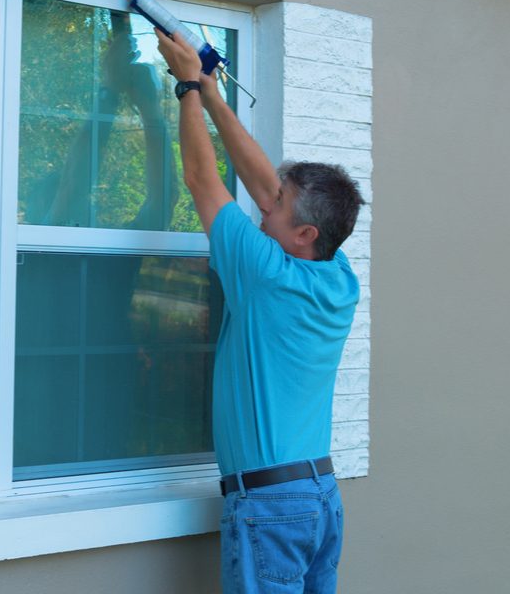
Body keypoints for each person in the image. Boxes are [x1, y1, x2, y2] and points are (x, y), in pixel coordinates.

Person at [155, 29, 365, 594]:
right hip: (319, 496)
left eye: (276, 206)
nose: (264, 208)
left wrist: (186, 88)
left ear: (305, 234)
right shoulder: (339, 276)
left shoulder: (264, 274)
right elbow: (265, 183)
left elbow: (202, 180)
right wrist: (213, 94)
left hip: (271, 506)